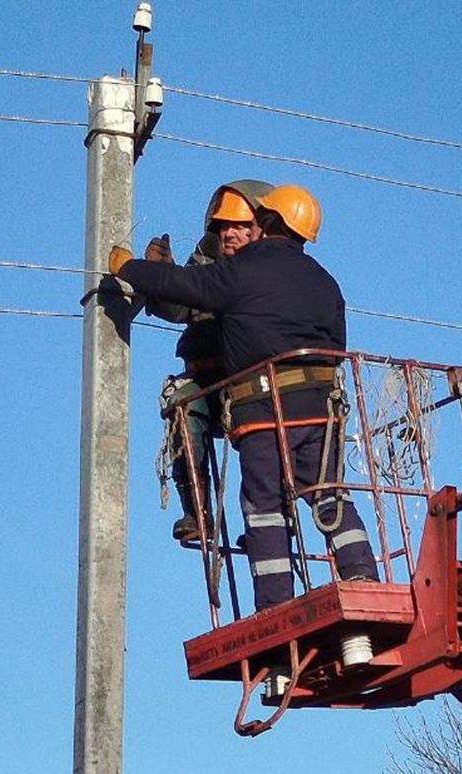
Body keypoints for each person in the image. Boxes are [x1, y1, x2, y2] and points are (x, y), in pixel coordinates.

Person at [110, 184, 379, 613]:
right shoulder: (326, 282)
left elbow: (178, 284)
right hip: (321, 412)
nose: (232, 234)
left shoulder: (239, 274)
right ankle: (362, 574)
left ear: (264, 223)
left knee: (263, 506)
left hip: (263, 411)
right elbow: (338, 344)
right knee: (328, 494)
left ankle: (275, 606)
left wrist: (131, 269)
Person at [143, 179, 273, 543]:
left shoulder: (276, 263)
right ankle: (196, 513)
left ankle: (268, 525)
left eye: (239, 225)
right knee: (182, 404)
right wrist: (161, 277)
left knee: (263, 439)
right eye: (222, 225)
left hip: (253, 380)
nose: (228, 233)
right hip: (207, 374)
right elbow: (182, 304)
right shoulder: (209, 252)